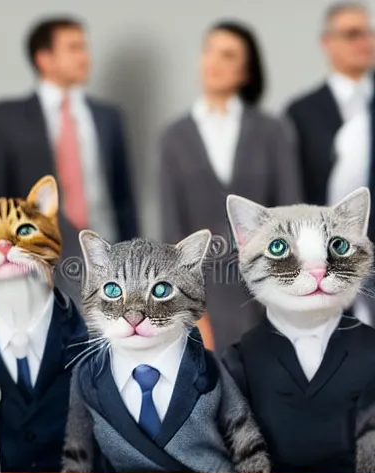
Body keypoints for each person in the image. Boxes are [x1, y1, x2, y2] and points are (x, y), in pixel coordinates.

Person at [159, 20, 302, 355]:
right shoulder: (175, 137)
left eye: (227, 54)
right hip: (204, 292)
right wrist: (190, 311)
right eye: (208, 50)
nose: (213, 61)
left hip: (265, 287)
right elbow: (172, 227)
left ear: (245, 71)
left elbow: (290, 210)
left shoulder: (272, 131)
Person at [0, 16, 139, 271]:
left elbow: (124, 198)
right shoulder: (6, 117)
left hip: (108, 253)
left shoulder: (108, 117)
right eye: (73, 48)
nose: (84, 57)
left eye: (84, 47)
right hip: (36, 256)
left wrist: (134, 256)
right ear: (44, 58)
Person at [285, 1, 375, 326]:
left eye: (368, 32)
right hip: (327, 259)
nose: (364, 41)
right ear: (328, 42)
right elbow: (296, 188)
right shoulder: (301, 112)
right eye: (352, 33)